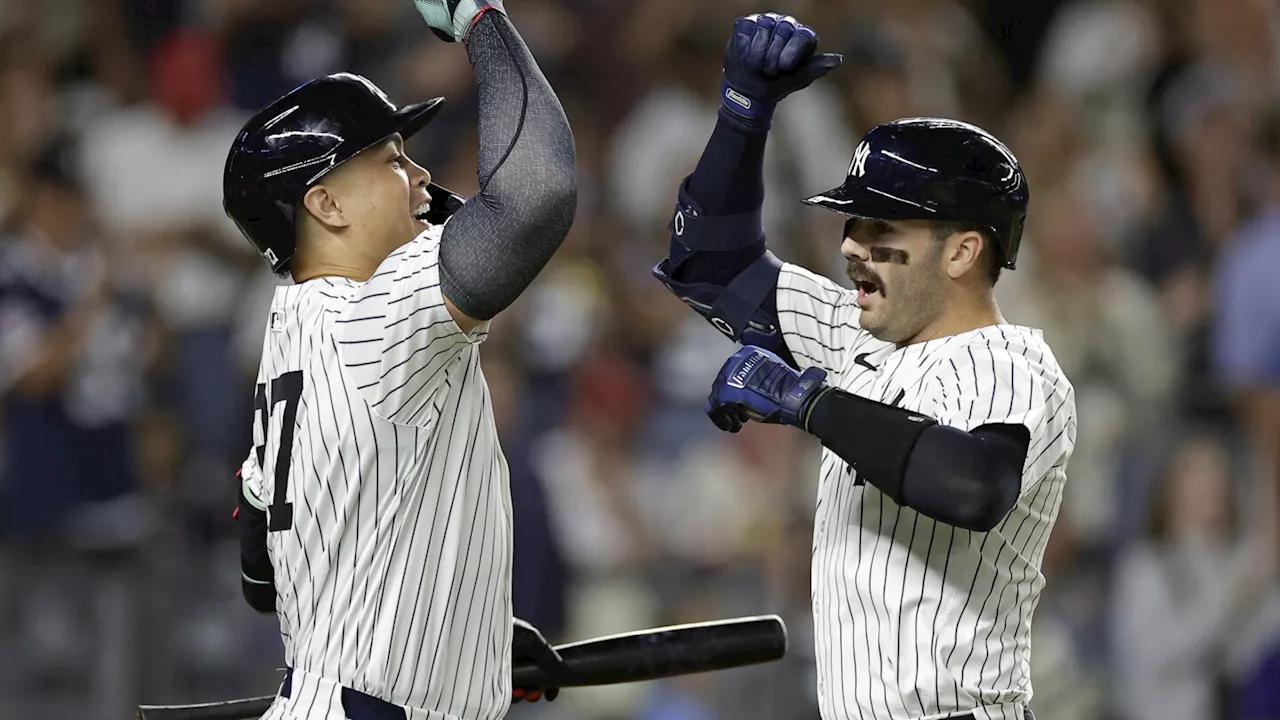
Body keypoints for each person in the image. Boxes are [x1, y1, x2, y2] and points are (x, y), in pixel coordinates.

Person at [652, 12, 1077, 720]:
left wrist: (810, 404)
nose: (852, 245)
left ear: (962, 252)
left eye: (882, 228)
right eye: (853, 224)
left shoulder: (1012, 362)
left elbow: (972, 485)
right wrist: (743, 112)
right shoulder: (851, 333)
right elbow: (707, 266)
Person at [220, 0, 577, 717]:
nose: (419, 178)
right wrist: (482, 19)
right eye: (391, 161)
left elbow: (263, 575)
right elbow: (538, 193)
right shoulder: (372, 315)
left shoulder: (291, 325)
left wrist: (467, 638)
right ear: (324, 204)